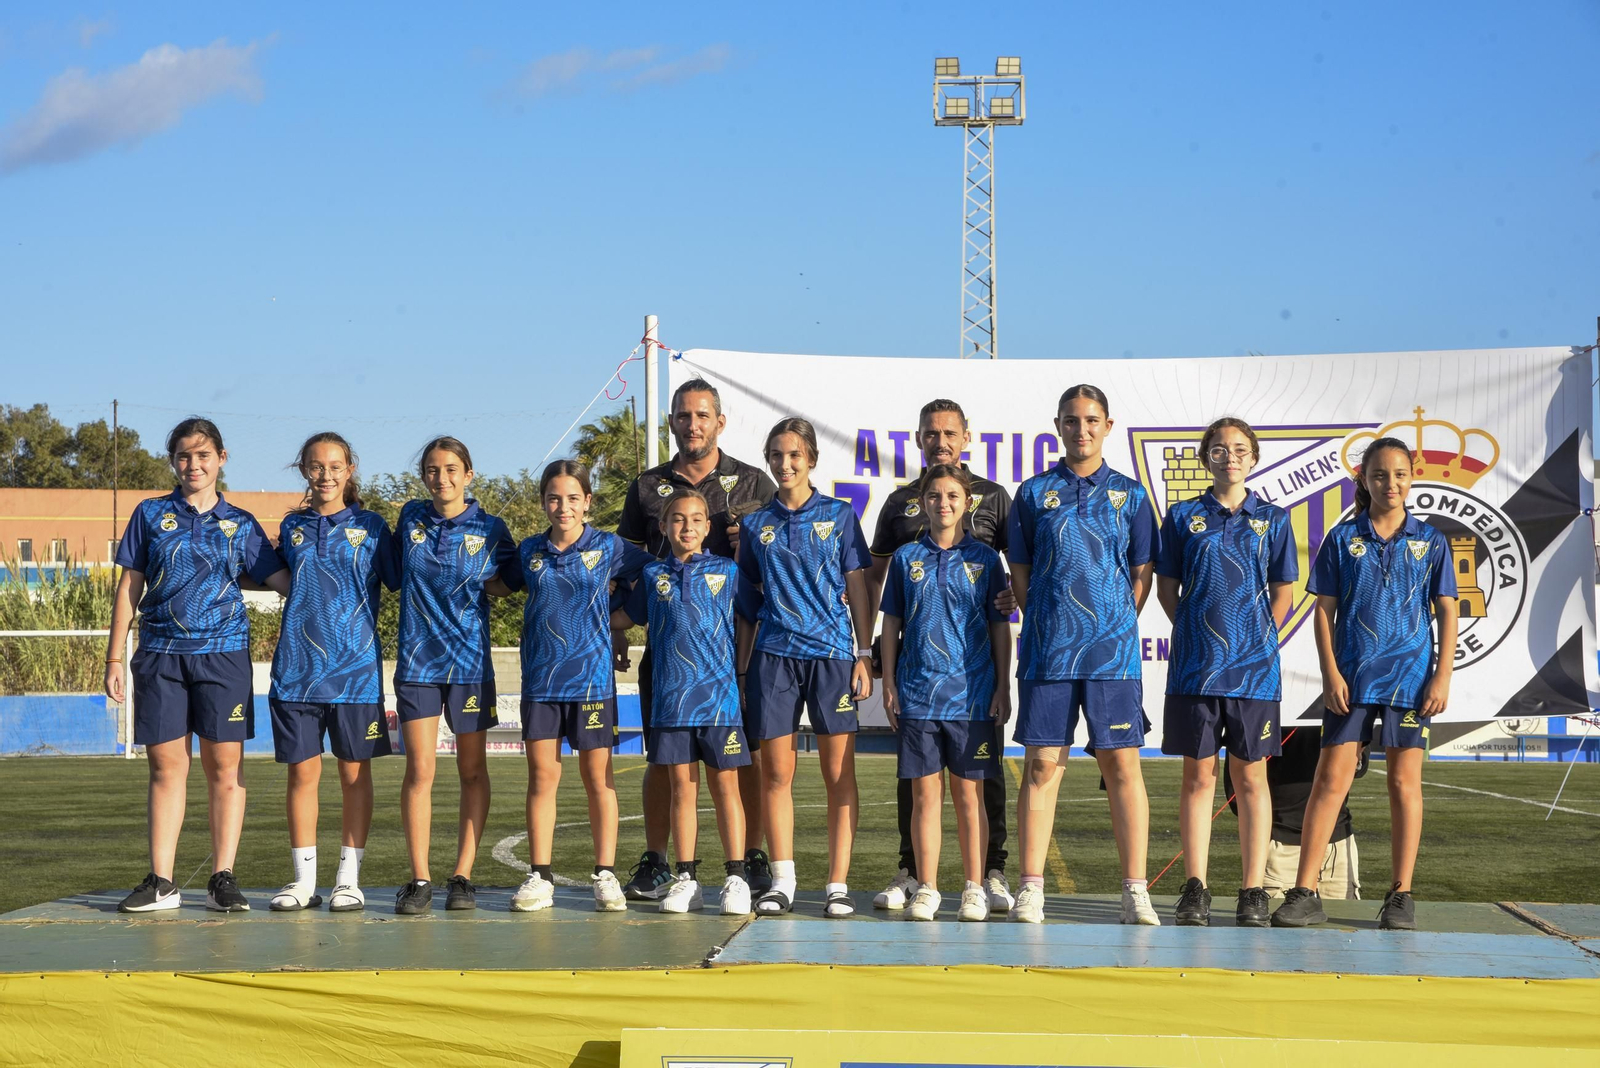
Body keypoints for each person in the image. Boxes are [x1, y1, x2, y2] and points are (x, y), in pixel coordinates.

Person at [1272, 436, 1458, 931]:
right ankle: (1304, 891)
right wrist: (1330, 672)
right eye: (1379, 475)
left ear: (1411, 477)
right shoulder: (1342, 538)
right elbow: (1323, 612)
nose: (1390, 484)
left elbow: (1446, 610)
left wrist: (1442, 674)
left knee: (1404, 784)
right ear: (1364, 479)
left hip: (1411, 681)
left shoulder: (1430, 540)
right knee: (1329, 781)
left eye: (1399, 474)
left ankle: (1401, 896)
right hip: (1352, 680)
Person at [106, 417, 289, 913]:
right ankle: (161, 882)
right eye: (185, 456)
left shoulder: (241, 523)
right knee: (166, 768)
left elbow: (281, 581)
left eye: (204, 455)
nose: (194, 464)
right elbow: (129, 587)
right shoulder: (149, 514)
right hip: (160, 656)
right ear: (174, 462)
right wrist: (114, 656)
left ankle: (222, 877)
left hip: (224, 655)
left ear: (221, 459)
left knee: (223, 770)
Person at [1005, 385, 1161, 926]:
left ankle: (1135, 889)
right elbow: (1020, 572)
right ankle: (1030, 887)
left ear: (1108, 426)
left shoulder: (1132, 495)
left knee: (1122, 765)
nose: (1081, 430)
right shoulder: (1032, 493)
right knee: (1043, 767)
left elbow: (1141, 575)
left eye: (1091, 420)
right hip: (1048, 653)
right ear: (1058, 425)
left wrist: (1112, 623)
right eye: (1071, 421)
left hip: (1111, 657)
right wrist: (1047, 618)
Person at [616, 378, 776, 901]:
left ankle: (747, 858)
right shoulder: (646, 486)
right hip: (667, 661)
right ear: (672, 423)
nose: (693, 424)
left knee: (739, 763)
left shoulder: (754, 483)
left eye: (702, 415)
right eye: (683, 416)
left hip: (733, 664)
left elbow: (772, 572)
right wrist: (610, 629)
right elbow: (625, 567)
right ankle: (663, 862)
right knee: (667, 765)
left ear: (719, 421)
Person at [868, 398, 1017, 916]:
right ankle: (918, 876)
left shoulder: (996, 503)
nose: (941, 441)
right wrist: (878, 666)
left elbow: (1016, 575)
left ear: (966, 436)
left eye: (950, 433)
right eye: (931, 433)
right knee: (922, 789)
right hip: (918, 685)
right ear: (918, 439)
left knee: (977, 788)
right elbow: (881, 591)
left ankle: (986, 875)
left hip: (974, 687)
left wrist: (1004, 677)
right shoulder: (900, 513)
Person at [1154, 417, 1297, 927]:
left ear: (1253, 458)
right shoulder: (1181, 516)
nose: (1229, 456)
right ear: (1205, 457)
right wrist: (1194, 629)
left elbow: (1284, 588)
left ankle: (1253, 890)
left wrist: (1255, 637)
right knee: (1198, 778)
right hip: (1196, 670)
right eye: (1218, 449)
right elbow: (1167, 585)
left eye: (1239, 449)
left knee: (1251, 778)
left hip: (1255, 672)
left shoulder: (1274, 520)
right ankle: (1195, 888)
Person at [493, 461, 653, 913]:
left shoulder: (609, 546)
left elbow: (656, 577)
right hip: (541, 682)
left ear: (588, 501)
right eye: (553, 498)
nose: (563, 507)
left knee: (597, 779)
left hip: (591, 683)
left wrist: (623, 618)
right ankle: (540, 876)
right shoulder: (529, 551)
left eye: (572, 498)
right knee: (543, 778)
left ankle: (606, 874)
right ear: (544, 501)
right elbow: (499, 587)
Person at [737, 417, 874, 917]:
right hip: (774, 658)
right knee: (776, 772)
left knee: (838, 773)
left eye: (794, 454)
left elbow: (858, 587)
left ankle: (837, 884)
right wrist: (743, 667)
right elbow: (747, 600)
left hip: (834, 658)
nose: (785, 463)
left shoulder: (838, 515)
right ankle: (783, 881)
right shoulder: (755, 524)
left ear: (811, 458)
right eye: (776, 455)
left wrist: (863, 654)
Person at [613, 489, 759, 914]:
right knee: (682, 790)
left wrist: (743, 672)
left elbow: (752, 617)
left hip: (720, 702)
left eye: (696, 519)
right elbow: (624, 616)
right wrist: (587, 606)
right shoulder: (654, 576)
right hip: (670, 704)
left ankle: (735, 876)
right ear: (662, 527)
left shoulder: (728, 572)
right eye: (677, 519)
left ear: (707, 528)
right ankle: (686, 878)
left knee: (725, 787)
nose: (687, 526)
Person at [268, 433, 397, 913]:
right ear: (305, 470)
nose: (326, 475)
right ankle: (303, 882)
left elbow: (406, 578)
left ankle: (348, 879)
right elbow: (271, 576)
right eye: (317, 467)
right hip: (296, 673)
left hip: (356, 673)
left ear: (350, 469)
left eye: (335, 466)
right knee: (302, 776)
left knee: (353, 775)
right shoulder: (292, 527)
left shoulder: (373, 526)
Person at [390, 436, 515, 915]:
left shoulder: (491, 527)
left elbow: (506, 584)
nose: (440, 478)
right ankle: (419, 879)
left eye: (450, 469)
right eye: (431, 470)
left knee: (471, 771)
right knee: (420, 771)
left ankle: (462, 877)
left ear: (468, 474)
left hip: (469, 666)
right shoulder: (410, 519)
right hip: (418, 665)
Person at [1225, 731, 1366, 900]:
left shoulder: (1339, 708)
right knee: (1276, 923)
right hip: (1281, 845)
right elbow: (1239, 790)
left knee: (1340, 921)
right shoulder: (1261, 709)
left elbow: (1359, 767)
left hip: (1336, 844)